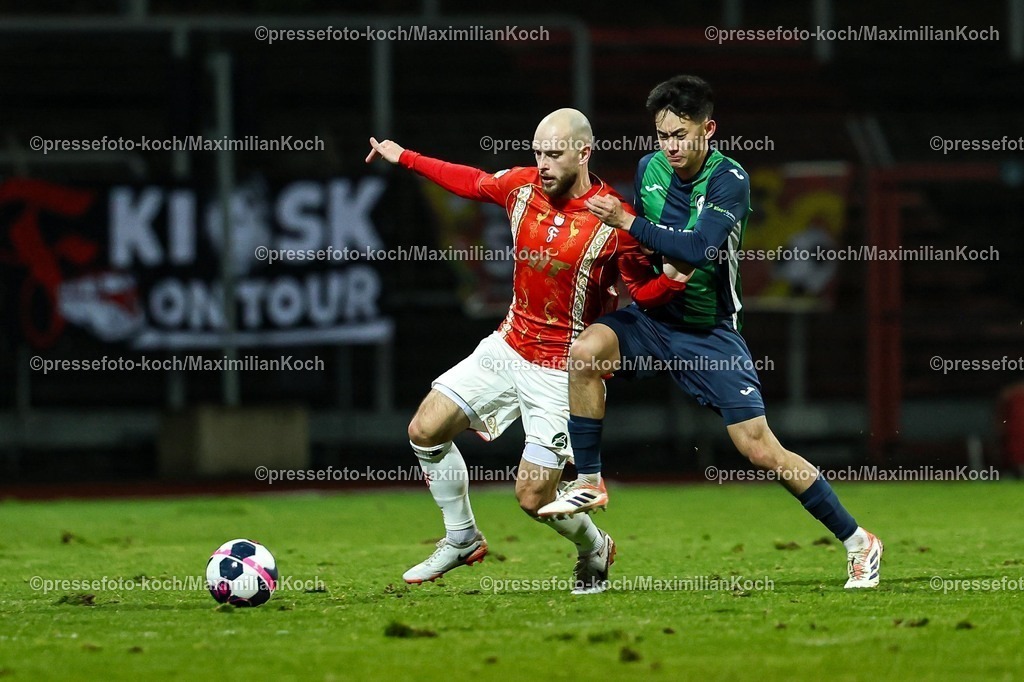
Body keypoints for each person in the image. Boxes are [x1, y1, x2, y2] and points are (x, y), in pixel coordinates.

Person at [537, 77, 883, 589]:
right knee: (585, 351)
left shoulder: (730, 180)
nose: (670, 147)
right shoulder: (649, 169)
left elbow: (700, 249)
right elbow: (643, 249)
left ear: (708, 129)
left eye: (681, 135)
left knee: (758, 447)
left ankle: (858, 541)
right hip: (654, 319)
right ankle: (589, 479)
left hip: (707, 332)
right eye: (662, 136)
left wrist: (628, 223)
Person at [365, 108, 688, 593]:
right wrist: (405, 157)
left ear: (584, 152)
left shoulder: (614, 220)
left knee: (534, 497)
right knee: (424, 431)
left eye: (554, 153)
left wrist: (676, 281)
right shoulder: (521, 187)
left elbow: (644, 293)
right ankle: (462, 537)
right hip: (509, 345)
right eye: (538, 152)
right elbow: (471, 181)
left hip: (561, 371)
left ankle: (594, 547)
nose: (543, 163)